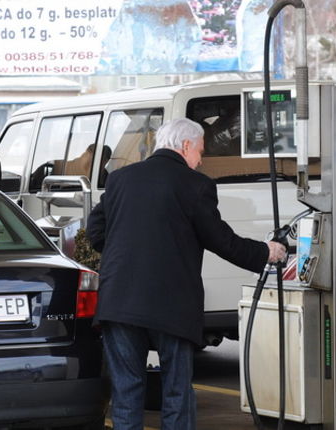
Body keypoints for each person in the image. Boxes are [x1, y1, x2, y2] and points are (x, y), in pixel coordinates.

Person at [86, 118, 287, 429]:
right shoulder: (195, 185)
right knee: (177, 391)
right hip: (171, 305)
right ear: (186, 145)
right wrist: (266, 252)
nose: (200, 160)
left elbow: (96, 231)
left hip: (120, 301)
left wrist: (130, 252)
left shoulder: (120, 179)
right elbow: (221, 240)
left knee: (126, 393)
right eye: (201, 152)